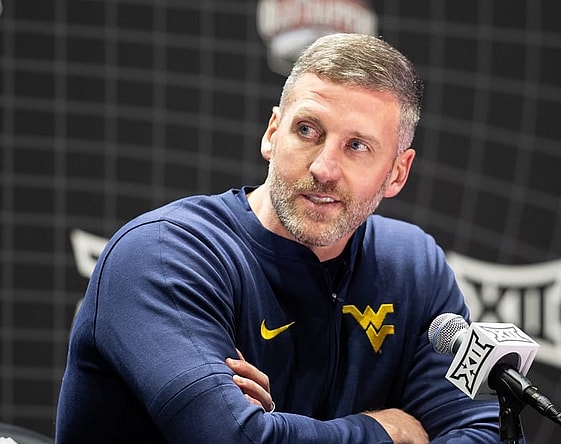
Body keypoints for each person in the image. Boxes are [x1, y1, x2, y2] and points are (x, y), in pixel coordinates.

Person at [56, 33, 513, 443]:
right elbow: (235, 439)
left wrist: (279, 431)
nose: (324, 168)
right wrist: (387, 431)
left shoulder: (412, 265)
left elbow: (481, 431)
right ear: (272, 133)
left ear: (397, 172)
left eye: (357, 146)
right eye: (307, 131)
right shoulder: (162, 256)